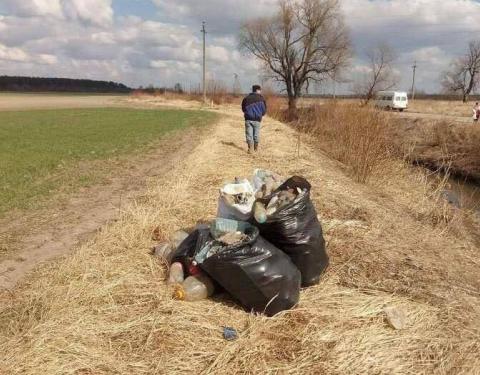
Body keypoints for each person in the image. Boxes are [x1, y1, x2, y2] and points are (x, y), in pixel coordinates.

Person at [241, 85, 267, 153]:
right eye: (260, 90)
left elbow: (243, 109)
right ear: (258, 90)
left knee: (249, 134)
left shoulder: (246, 98)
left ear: (252, 90)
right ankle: (256, 148)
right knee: (256, 134)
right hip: (257, 119)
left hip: (248, 119)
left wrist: (248, 113)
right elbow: (264, 111)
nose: (260, 91)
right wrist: (260, 114)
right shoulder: (262, 99)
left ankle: (250, 149)